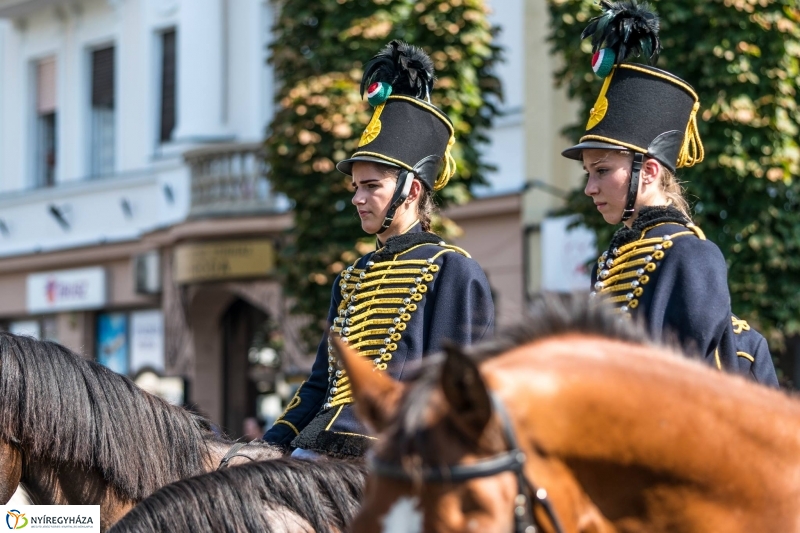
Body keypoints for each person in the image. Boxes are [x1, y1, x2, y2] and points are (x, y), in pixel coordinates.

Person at [262, 41, 496, 457]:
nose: (357, 198)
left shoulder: (452, 270)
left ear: (412, 190)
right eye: (356, 187)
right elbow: (322, 383)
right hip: (318, 442)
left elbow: (454, 390)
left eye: (372, 186)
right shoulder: (351, 276)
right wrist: (268, 444)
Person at [560, 1, 778, 386]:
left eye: (602, 170)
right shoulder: (610, 260)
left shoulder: (691, 254)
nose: (589, 187)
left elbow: (687, 391)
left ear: (650, 171)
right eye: (588, 173)